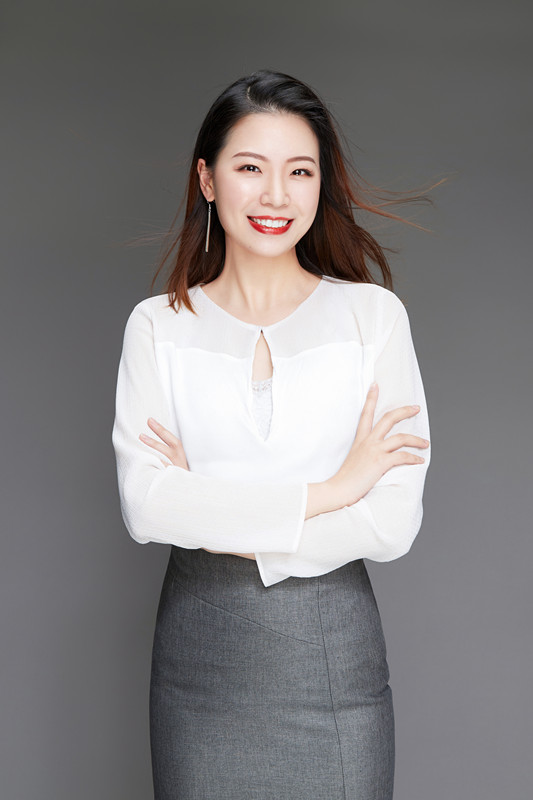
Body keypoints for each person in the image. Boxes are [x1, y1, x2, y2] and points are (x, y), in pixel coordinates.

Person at [112, 69, 431, 800]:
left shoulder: (372, 319)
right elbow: (147, 508)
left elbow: (389, 524)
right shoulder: (157, 327)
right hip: (200, 669)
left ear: (321, 185)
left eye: (300, 171)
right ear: (208, 179)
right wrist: (333, 490)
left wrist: (210, 511)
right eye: (251, 168)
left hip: (333, 667)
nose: (276, 196)